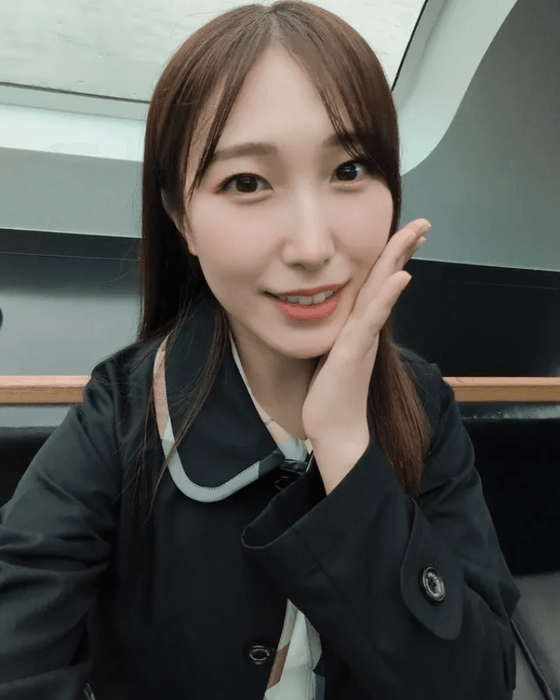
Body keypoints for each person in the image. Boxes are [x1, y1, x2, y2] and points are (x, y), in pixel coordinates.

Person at [0, 2, 520, 698]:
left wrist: (348, 450)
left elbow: (480, 681)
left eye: (349, 170)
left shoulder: (426, 406)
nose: (311, 246)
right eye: (247, 182)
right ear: (182, 219)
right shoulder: (121, 415)